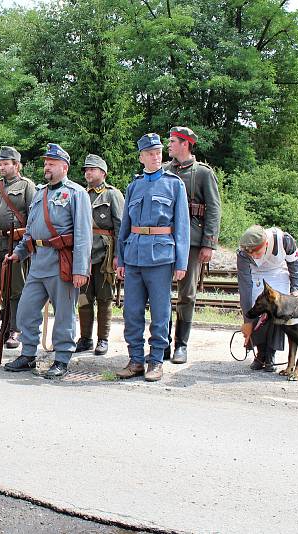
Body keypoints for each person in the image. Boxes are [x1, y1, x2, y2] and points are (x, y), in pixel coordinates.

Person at [3, 143, 92, 378]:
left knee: (64, 314)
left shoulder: (76, 193)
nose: (47, 168)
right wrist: (19, 252)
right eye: (45, 164)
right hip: (38, 261)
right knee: (25, 310)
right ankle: (28, 355)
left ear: (64, 167)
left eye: (51, 164)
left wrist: (80, 269)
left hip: (62, 262)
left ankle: (61, 359)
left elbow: (84, 234)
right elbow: (31, 230)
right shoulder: (41, 193)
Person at [115, 134, 190, 382]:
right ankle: (136, 359)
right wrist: (120, 258)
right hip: (134, 256)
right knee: (131, 312)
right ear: (141, 157)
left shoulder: (174, 184)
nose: (156, 156)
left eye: (158, 152)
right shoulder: (134, 186)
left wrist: (181, 262)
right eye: (150, 153)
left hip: (161, 256)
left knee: (160, 313)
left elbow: (182, 226)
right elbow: (125, 225)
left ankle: (156, 361)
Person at [163, 126, 221, 364]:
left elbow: (214, 209)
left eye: (173, 141)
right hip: (165, 240)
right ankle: (162, 343)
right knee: (161, 293)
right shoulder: (165, 171)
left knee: (187, 294)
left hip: (193, 243)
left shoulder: (203, 173)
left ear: (185, 144)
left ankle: (181, 345)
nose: (169, 145)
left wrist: (209, 243)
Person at [75, 154, 124, 356]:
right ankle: (85, 338)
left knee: (104, 299)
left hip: (105, 255)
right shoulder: (81, 194)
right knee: (84, 299)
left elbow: (121, 227)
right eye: (86, 169)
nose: (88, 172)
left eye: (92, 169)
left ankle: (102, 339)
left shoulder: (112, 194)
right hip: (84, 255)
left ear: (103, 173)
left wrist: (119, 256)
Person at [237, 225, 298, 371]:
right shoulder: (243, 253)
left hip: (278, 273)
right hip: (255, 276)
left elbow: (295, 264)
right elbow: (245, 286)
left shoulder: (284, 240)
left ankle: (270, 354)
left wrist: (296, 289)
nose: (253, 256)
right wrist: (247, 320)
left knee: (277, 308)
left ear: (265, 244)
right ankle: (260, 353)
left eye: (256, 252)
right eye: (250, 253)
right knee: (257, 307)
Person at [0, 146, 36, 349]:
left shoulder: (27, 186)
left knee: (17, 288)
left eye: (6, 164)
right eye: (0, 164)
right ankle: (5, 325)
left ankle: (16, 329)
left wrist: (24, 238)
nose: (2, 167)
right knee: (2, 288)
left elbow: (34, 218)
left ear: (16, 165)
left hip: (17, 244)